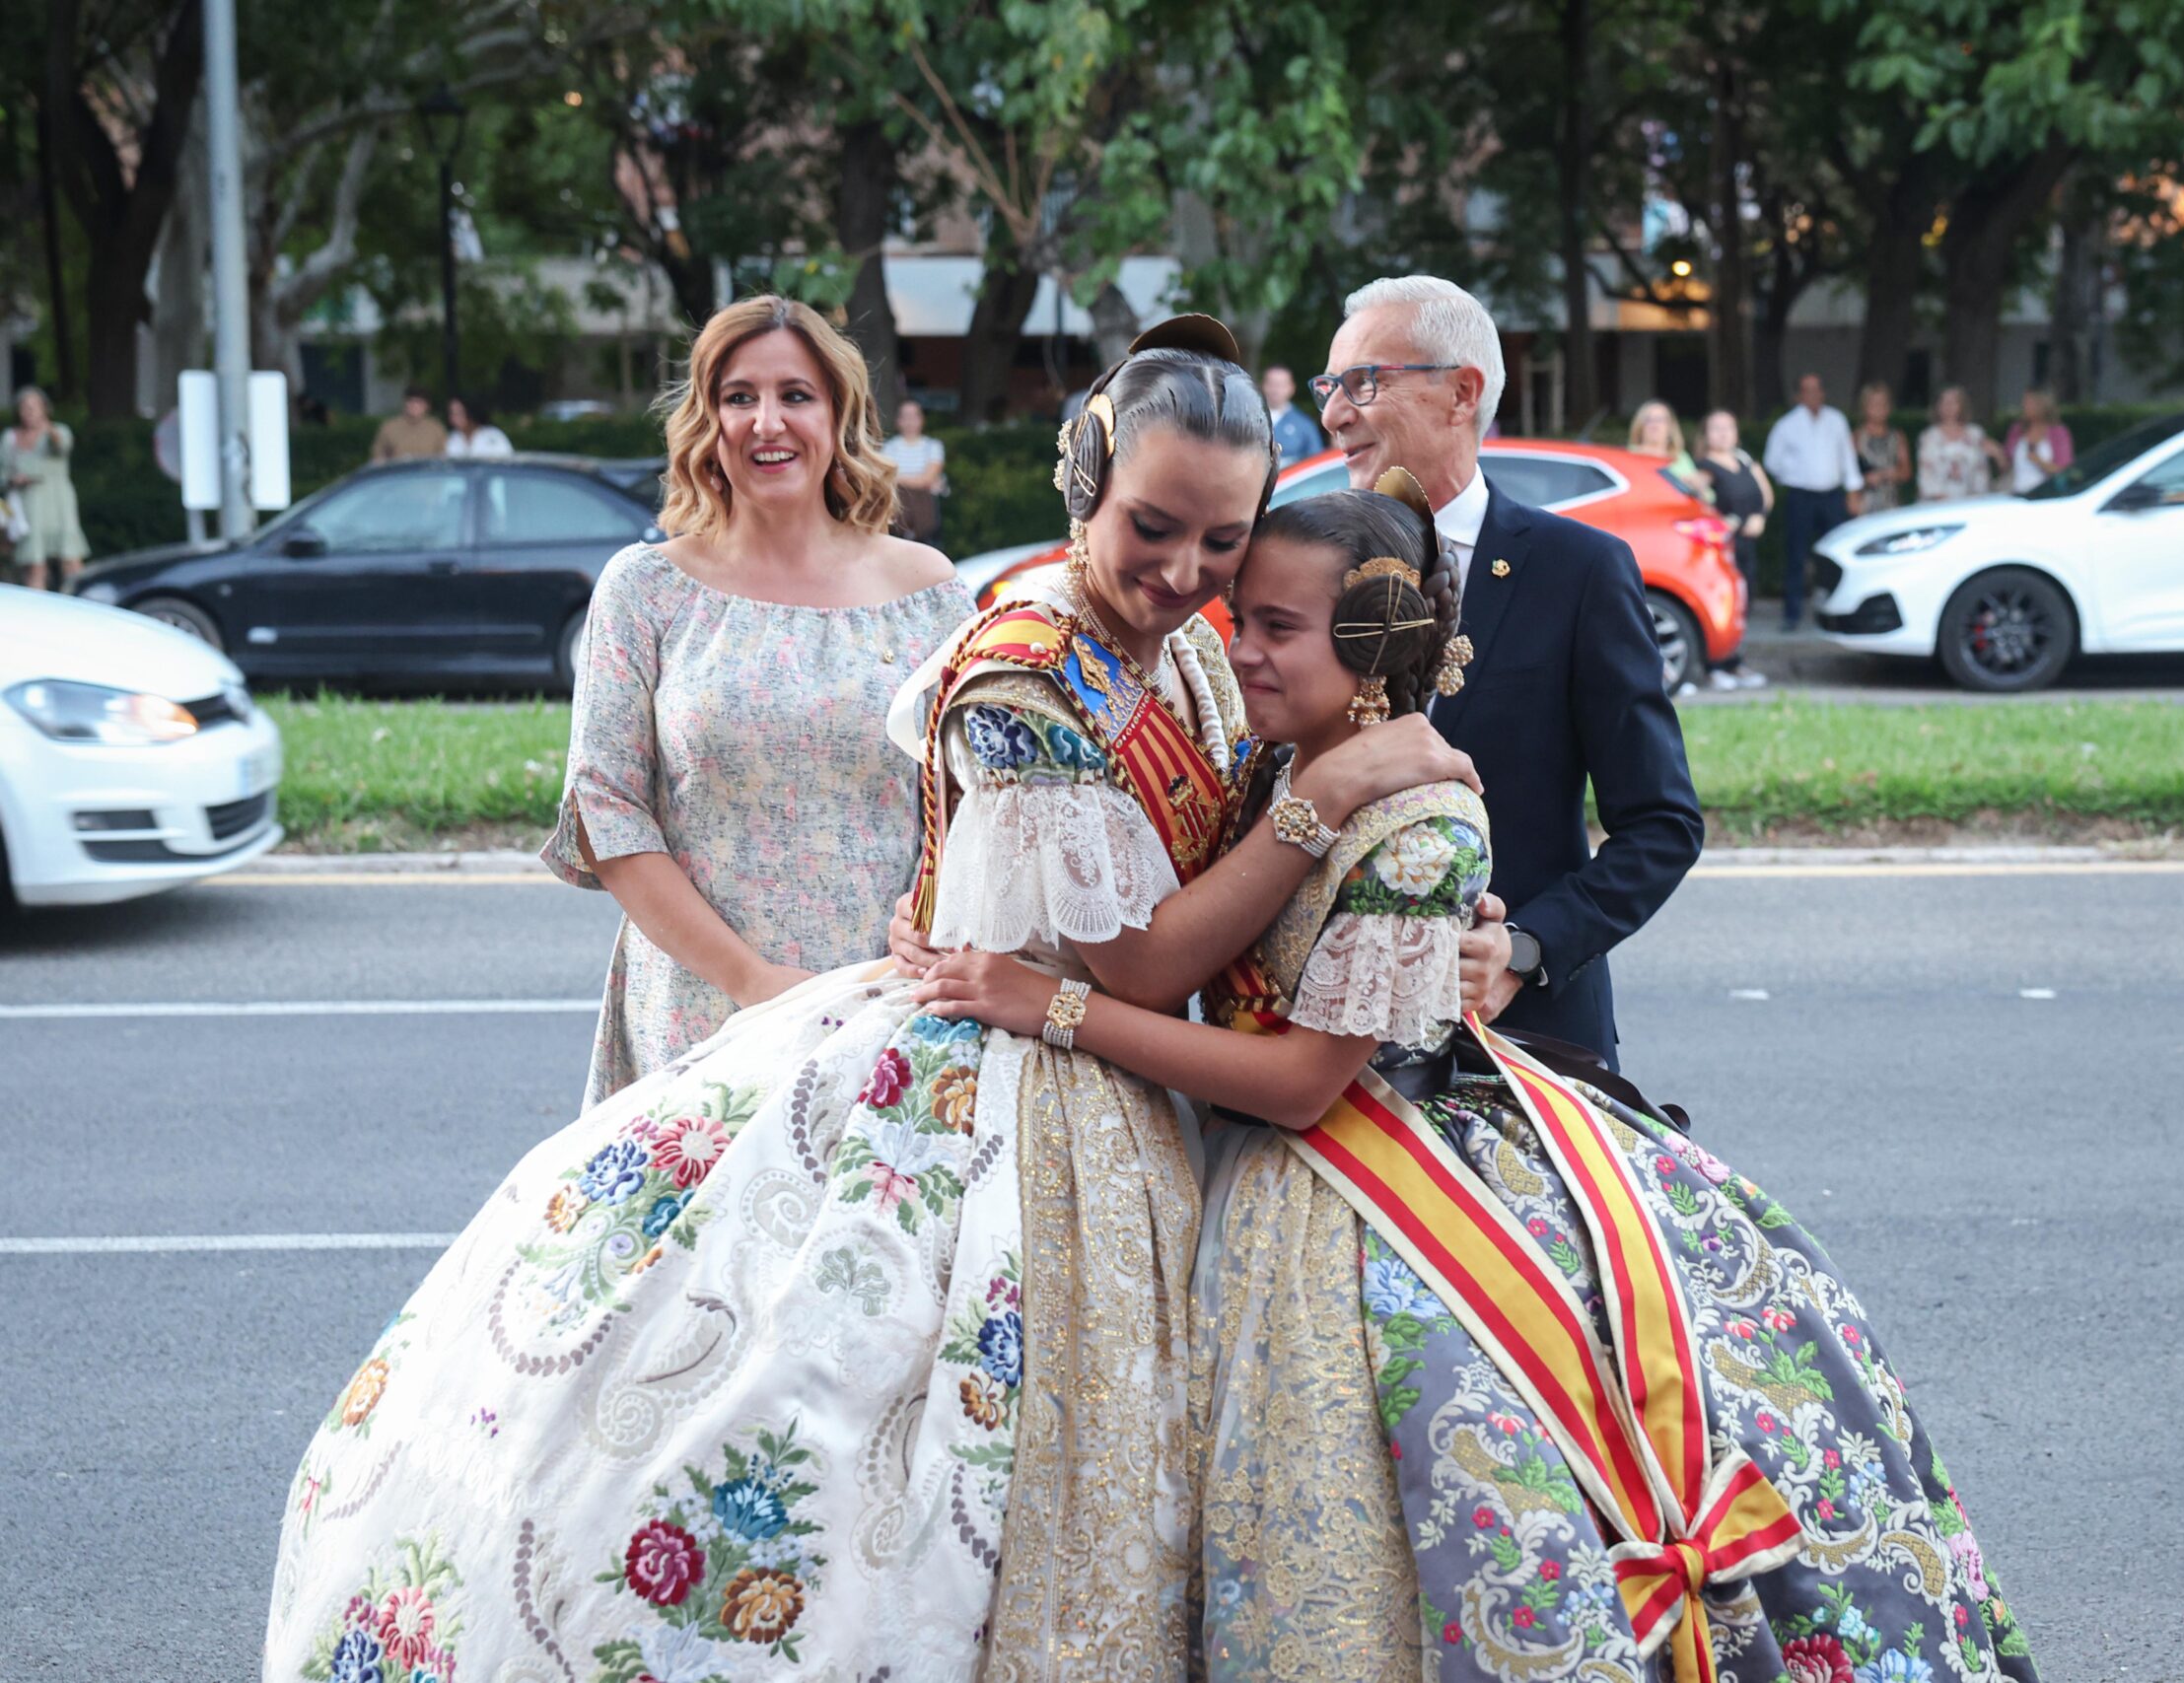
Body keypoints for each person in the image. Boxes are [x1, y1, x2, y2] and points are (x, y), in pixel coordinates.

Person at [264, 314, 1474, 1682]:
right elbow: (1137, 960)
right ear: (1085, 475)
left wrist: (1415, 900)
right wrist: (1322, 803)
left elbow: (1232, 873)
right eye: (1155, 527)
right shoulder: (1025, 660)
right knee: (858, 1458)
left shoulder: (1186, 644)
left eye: (1219, 543)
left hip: (1113, 1092)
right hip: (1014, 1098)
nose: (1186, 572)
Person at [913, 473, 2042, 1683]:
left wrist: (1058, 1007)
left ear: (1379, 650)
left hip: (1353, 1179)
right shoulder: (1279, 763)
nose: (1234, 648)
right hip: (1264, 1160)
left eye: (1273, 629)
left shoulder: (1421, 826)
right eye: (1241, 619)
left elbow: (1302, 1084)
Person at [538, 297, 973, 1107]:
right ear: (707, 419)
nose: (767, 422)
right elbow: (607, 811)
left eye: (796, 395)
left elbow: (967, 805)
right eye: (739, 397)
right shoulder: (646, 590)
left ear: (839, 414)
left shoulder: (934, 595)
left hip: (880, 1010)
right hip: (701, 1012)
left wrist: (928, 910)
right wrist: (756, 981)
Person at [1312, 274, 1702, 1067]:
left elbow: (1662, 826)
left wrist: (1526, 948)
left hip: (1527, 1046)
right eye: (1331, 385)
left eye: (1363, 382)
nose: (1333, 414)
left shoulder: (1578, 571)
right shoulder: (1311, 567)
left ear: (1462, 393)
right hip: (1330, 1048)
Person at [1761, 373, 1861, 630]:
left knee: (1837, 554)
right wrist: (1792, 475)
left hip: (1831, 496)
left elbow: (1847, 457)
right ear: (1798, 395)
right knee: (1796, 555)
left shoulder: (1836, 420)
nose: (1813, 395)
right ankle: (1792, 615)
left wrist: (1853, 491)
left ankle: (1838, 612)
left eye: (1817, 389)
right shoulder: (1787, 425)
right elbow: (1772, 461)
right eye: (1807, 390)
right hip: (1801, 496)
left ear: (1823, 393)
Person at [1694, 407, 1772, 691]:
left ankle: (1735, 661)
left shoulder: (1745, 460)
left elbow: (1765, 494)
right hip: (1723, 548)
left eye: (1728, 427)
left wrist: (1759, 517)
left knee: (1744, 604)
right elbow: (1695, 498)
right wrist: (1721, 522)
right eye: (1716, 428)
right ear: (1706, 434)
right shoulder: (1704, 467)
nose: (1723, 433)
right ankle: (1713, 666)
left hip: (1748, 545)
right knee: (1721, 604)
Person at [2, 387, 89, 592]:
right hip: (26, 508)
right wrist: (13, 480)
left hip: (58, 506)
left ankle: (80, 606)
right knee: (33, 565)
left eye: (33, 406)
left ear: (44, 409)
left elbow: (61, 446)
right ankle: (37, 614)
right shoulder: (10, 437)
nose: (29, 411)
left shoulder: (58, 431)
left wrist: (47, 428)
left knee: (70, 561)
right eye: (24, 407)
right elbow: (3, 474)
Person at [1915, 385, 2006, 502]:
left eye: (1953, 402)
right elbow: (1925, 474)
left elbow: (1981, 470)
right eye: (1944, 402)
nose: (1948, 406)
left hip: (1969, 504)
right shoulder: (1928, 436)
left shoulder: (1975, 434)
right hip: (1936, 505)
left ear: (1962, 405)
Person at [881, 396, 948, 541]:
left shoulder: (933, 446)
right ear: (898, 421)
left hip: (924, 502)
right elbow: (885, 476)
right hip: (898, 500)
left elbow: (928, 478)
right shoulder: (889, 447)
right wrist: (918, 480)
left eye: (914, 416)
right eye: (905, 416)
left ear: (921, 419)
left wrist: (899, 479)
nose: (910, 421)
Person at [1627, 397, 1714, 499]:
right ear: (1640, 426)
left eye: (1660, 420)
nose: (1655, 425)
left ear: (1670, 427)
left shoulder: (1680, 457)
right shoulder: (1628, 454)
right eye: (1649, 420)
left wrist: (1696, 484)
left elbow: (1708, 497)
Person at [1853, 380, 1911, 514]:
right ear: (1865, 406)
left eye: (1883, 403)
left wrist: (1888, 474)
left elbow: (1906, 472)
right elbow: (1849, 474)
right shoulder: (1857, 437)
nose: (1879, 408)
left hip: (1890, 501)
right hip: (1865, 502)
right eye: (1874, 404)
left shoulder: (1897, 436)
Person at [2004, 386, 2074, 493]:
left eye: (2029, 403)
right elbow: (2007, 464)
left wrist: (2039, 461)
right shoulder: (2017, 430)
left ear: (2042, 405)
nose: (2024, 406)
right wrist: (1996, 453)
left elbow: (2064, 470)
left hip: (2046, 495)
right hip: (2017, 493)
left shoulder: (2058, 433)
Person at [1263, 363, 1328, 461]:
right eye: (1271, 384)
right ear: (1263, 385)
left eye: (1281, 385)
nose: (1275, 390)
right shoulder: (1247, 419)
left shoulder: (1305, 424)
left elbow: (1316, 461)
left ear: (1292, 388)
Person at [370, 386, 449, 460]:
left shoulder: (436, 428)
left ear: (427, 406)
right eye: (411, 401)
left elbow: (443, 457)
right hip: (398, 472)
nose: (414, 405)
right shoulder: (389, 428)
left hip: (427, 473)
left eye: (419, 402)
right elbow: (378, 457)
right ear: (405, 403)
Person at [442, 394, 514, 457]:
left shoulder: (493, 436)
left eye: (458, 413)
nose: (453, 418)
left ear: (470, 412)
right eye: (451, 413)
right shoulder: (453, 439)